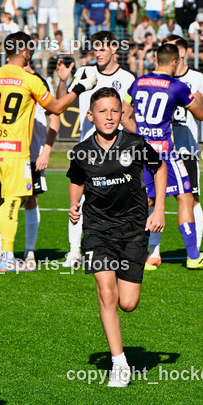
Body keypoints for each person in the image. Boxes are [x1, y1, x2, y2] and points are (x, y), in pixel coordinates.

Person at [0, 32, 95, 271]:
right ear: (25, 53)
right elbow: (56, 107)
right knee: (14, 200)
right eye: (31, 50)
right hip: (17, 151)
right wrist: (79, 88)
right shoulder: (29, 80)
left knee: (9, 199)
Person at [68, 87, 165, 387]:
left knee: (128, 303)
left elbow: (159, 169)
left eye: (114, 111)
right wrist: (74, 205)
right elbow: (76, 179)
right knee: (106, 291)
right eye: (102, 111)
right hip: (97, 230)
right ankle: (119, 363)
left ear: (122, 115)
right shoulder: (82, 151)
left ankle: (120, 357)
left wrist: (159, 208)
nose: (109, 117)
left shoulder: (136, 144)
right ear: (90, 116)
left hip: (134, 229)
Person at [121, 43, 203, 269]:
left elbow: (124, 116)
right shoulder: (178, 86)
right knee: (185, 197)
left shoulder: (138, 82)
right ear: (174, 62)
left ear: (156, 58)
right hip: (165, 151)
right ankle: (193, 257)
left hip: (140, 150)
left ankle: (130, 253)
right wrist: (198, 98)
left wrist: (142, 133)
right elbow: (202, 114)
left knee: (145, 201)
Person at [58, 31, 137, 267]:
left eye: (103, 49)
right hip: (89, 149)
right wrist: (63, 81)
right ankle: (74, 251)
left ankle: (123, 247)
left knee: (121, 200)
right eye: (95, 49)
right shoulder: (84, 72)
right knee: (78, 200)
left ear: (114, 49)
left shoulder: (128, 78)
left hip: (117, 151)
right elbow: (62, 103)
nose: (98, 54)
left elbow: (129, 115)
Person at [164, 34, 203, 250]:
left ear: (183, 52)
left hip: (186, 149)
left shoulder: (197, 77)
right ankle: (153, 252)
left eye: (171, 49)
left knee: (192, 198)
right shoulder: (159, 78)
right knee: (152, 199)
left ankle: (195, 249)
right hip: (161, 150)